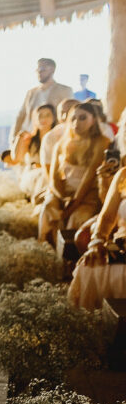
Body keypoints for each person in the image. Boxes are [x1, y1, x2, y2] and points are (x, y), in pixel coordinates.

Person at [39, 101, 110, 243]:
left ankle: (70, 260)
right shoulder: (61, 143)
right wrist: (62, 198)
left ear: (94, 120)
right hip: (63, 193)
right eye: (73, 119)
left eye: (83, 118)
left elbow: (89, 178)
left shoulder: (102, 142)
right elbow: (53, 178)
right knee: (48, 208)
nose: (77, 122)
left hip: (88, 195)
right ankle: (47, 253)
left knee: (77, 218)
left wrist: (71, 207)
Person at [70, 162, 126, 309]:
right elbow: (107, 217)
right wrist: (97, 241)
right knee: (89, 265)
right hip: (121, 247)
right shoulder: (123, 175)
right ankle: (91, 325)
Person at [10, 58, 74, 149]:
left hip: (53, 142)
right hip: (30, 142)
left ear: (52, 69)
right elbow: (21, 116)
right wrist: (14, 138)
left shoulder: (65, 90)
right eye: (37, 70)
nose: (39, 72)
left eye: (42, 69)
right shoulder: (31, 93)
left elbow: (69, 116)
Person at [12, 104, 56, 199]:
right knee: (43, 177)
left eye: (48, 115)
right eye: (40, 116)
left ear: (53, 118)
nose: (44, 118)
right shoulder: (29, 139)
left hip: (51, 174)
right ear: (35, 119)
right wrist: (19, 139)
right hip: (32, 175)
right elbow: (16, 158)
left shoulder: (57, 138)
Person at [39, 98, 81, 185]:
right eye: (62, 113)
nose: (65, 117)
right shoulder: (50, 137)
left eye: (70, 111)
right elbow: (49, 170)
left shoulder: (96, 134)